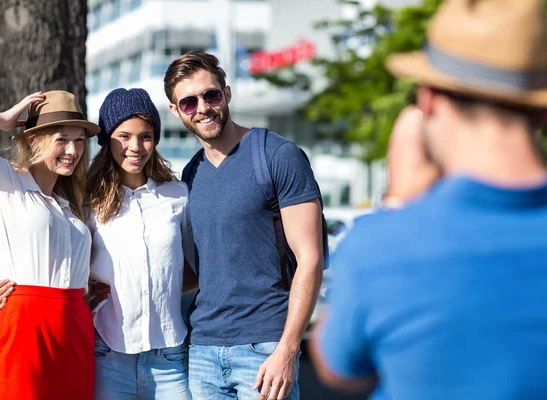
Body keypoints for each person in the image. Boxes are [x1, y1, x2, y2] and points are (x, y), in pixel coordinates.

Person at [311, 1, 547, 399]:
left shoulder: (381, 245)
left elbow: (338, 367)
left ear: (428, 99)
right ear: (539, 112)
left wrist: (399, 204)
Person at [0, 88, 196, 399]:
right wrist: (15, 285)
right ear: (107, 140)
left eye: (146, 136)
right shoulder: (84, 201)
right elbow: (52, 255)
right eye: (123, 136)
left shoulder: (178, 195)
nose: (135, 146)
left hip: (169, 356)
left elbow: (193, 267)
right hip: (107, 354)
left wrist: (154, 286)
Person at [164, 51, 324, 400]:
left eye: (211, 94)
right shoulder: (190, 175)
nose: (203, 107)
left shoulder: (277, 156)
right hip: (203, 351)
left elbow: (310, 259)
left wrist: (286, 350)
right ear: (176, 112)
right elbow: (200, 271)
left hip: (264, 349)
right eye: (188, 102)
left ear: (227, 93)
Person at [0, 90, 99, 399]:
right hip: (27, 326)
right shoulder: (4, 179)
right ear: (33, 140)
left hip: (77, 326)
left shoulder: (69, 204)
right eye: (62, 139)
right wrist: (2, 120)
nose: (73, 150)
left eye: (80, 140)